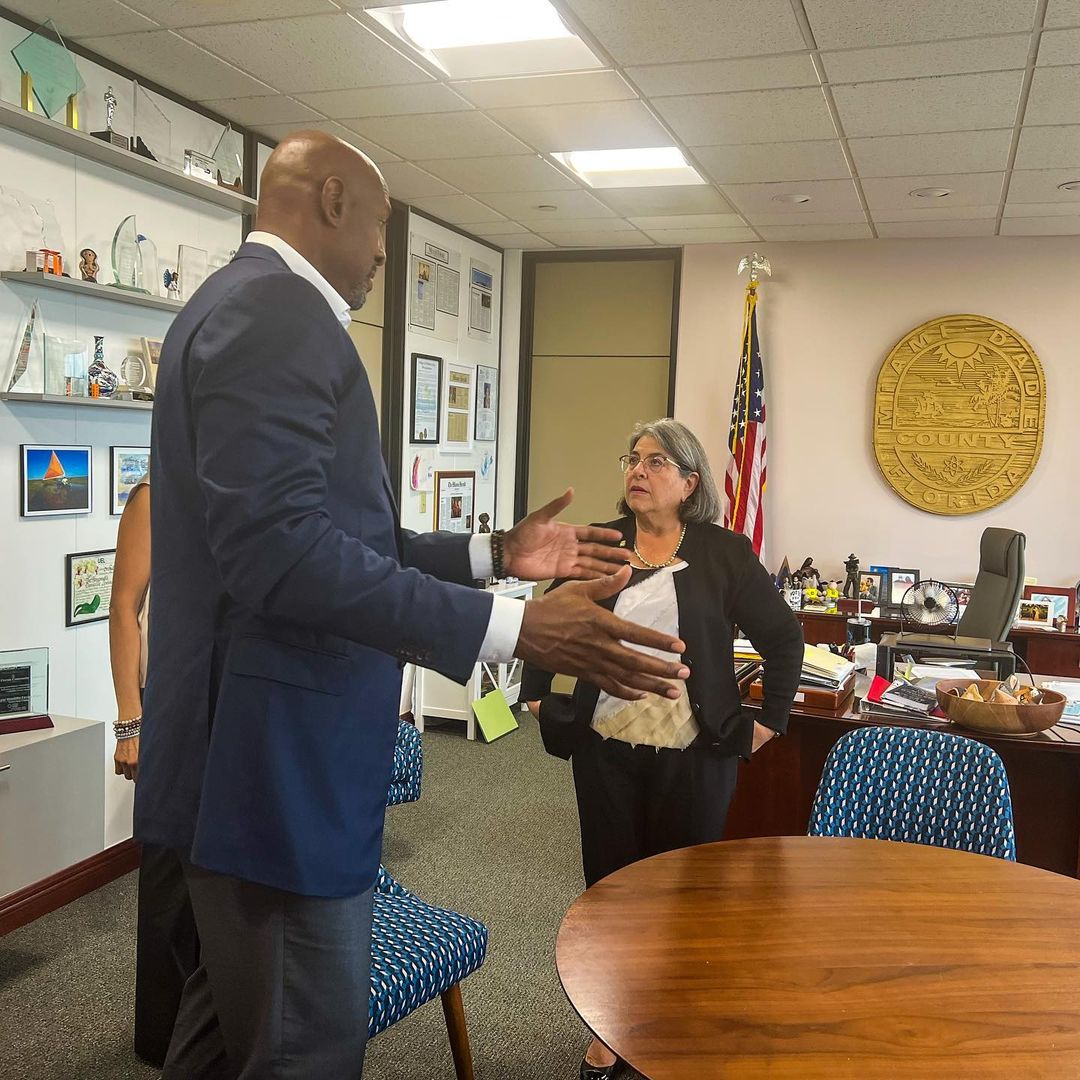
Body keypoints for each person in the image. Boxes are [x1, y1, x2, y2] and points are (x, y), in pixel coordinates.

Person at [135, 131, 691, 1080]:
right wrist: (515, 626)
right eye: (382, 229)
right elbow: (283, 558)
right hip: (275, 780)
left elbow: (321, 537)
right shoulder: (275, 312)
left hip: (246, 769)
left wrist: (491, 556)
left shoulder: (235, 305)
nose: (383, 256)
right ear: (333, 200)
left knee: (226, 1043)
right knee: (299, 1052)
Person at [522, 418, 803, 1080]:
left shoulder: (724, 553)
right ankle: (609, 1027)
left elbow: (783, 638)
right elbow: (546, 619)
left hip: (696, 755)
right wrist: (536, 696)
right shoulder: (602, 542)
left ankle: (670, 1023)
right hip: (606, 752)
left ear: (690, 482)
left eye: (655, 462)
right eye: (632, 459)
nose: (638, 471)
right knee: (609, 890)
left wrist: (769, 722)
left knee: (683, 895)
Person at [108, 473, 199, 1068]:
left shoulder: (249, 486)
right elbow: (123, 607)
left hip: (229, 705)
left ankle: (214, 1029)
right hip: (166, 707)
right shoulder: (154, 496)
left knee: (222, 883)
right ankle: (162, 1041)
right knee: (170, 878)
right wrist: (130, 722)